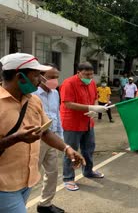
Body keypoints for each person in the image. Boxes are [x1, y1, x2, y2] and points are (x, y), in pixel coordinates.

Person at [0, 53, 85, 213]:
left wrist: (67, 148)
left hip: (26, 182)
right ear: (20, 77)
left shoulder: (34, 100)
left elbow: (45, 131)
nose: (41, 79)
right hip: (4, 185)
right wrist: (15, 139)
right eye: (37, 75)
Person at [60, 62, 106, 191]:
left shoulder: (91, 82)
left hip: (87, 122)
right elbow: (68, 104)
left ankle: (88, 171)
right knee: (71, 151)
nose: (90, 77)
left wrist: (95, 108)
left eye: (92, 74)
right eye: (86, 74)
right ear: (78, 72)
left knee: (89, 148)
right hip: (72, 123)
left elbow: (95, 98)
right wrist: (90, 107)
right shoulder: (68, 83)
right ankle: (68, 178)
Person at [33, 63, 65, 213]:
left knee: (52, 172)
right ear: (41, 77)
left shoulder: (55, 93)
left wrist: (61, 137)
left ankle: (45, 204)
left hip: (53, 138)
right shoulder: (33, 94)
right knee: (32, 174)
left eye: (57, 77)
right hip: (37, 139)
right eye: (51, 77)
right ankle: (18, 206)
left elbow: (57, 115)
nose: (55, 80)